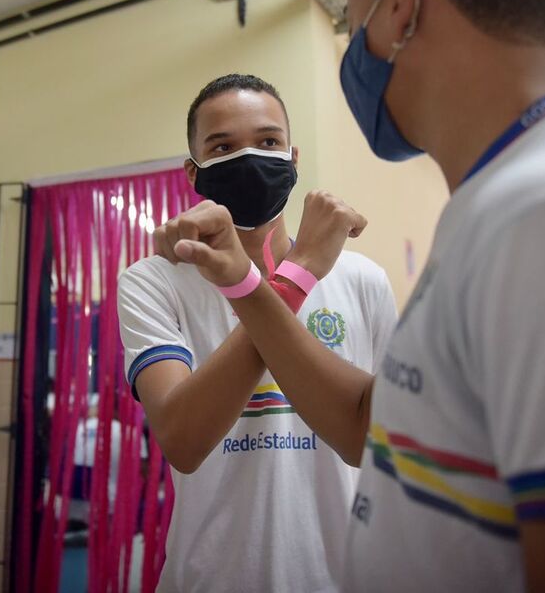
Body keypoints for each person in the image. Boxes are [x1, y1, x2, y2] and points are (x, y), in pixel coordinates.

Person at [151, 0, 545, 591]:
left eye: (352, 18)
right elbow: (375, 419)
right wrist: (251, 280)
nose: (353, 49)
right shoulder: (504, 209)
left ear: (398, 0)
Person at [117, 74, 397, 592]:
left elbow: (381, 441)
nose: (249, 158)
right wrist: (300, 272)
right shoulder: (153, 281)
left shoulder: (363, 281)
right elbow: (183, 438)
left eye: (268, 142)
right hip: (209, 576)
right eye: (222, 146)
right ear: (193, 172)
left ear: (292, 160)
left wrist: (281, 278)